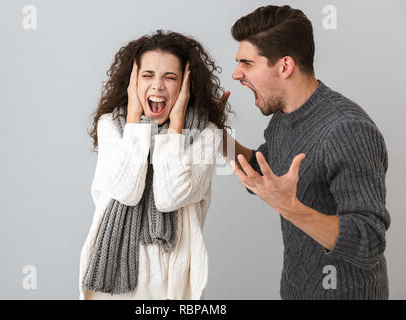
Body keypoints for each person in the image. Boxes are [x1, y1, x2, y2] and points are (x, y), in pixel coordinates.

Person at [223, 5, 390, 299]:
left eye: (247, 63)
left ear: (285, 66)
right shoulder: (283, 117)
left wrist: (289, 207)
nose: (237, 74)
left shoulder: (347, 128)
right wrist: (214, 134)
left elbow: (369, 241)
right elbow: (264, 175)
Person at [78, 30, 228, 300]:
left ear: (186, 85)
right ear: (132, 82)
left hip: (173, 282)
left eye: (170, 77)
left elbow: (169, 196)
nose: (157, 86)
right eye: (147, 76)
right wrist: (134, 118)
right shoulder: (111, 126)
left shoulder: (206, 135)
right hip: (109, 281)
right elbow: (126, 190)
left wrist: (178, 123)